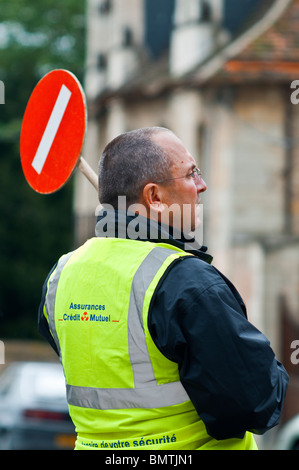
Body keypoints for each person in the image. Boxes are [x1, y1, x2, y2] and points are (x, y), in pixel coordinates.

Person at [38, 126, 289, 450]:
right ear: (154, 197)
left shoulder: (61, 275)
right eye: (191, 174)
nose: (202, 185)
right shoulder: (186, 284)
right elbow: (254, 404)